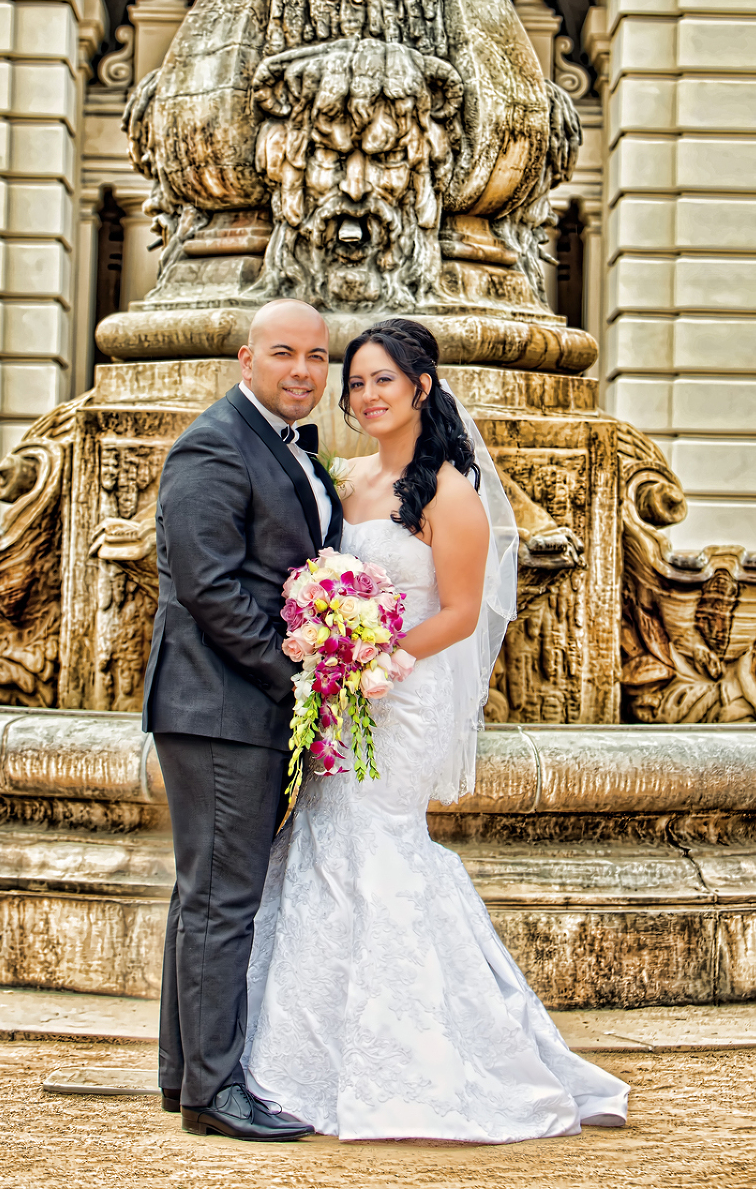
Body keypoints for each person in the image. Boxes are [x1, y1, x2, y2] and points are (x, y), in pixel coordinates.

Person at [242, 315, 630, 1143]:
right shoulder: (344, 480)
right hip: (340, 697)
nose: (366, 395)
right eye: (356, 382)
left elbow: (459, 613)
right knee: (323, 849)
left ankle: (419, 1064)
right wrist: (327, 649)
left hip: (401, 699)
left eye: (382, 379)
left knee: (380, 849)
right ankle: (305, 1061)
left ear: (421, 386)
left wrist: (372, 657)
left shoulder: (450, 492)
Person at [144, 298, 344, 1141]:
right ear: (246, 359)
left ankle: (185, 1075)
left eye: (317, 356)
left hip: (234, 700)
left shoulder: (286, 444)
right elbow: (209, 587)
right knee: (224, 901)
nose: (302, 370)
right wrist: (295, 678)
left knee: (208, 896)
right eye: (284, 352)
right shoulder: (215, 443)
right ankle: (216, 1093)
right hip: (219, 701)